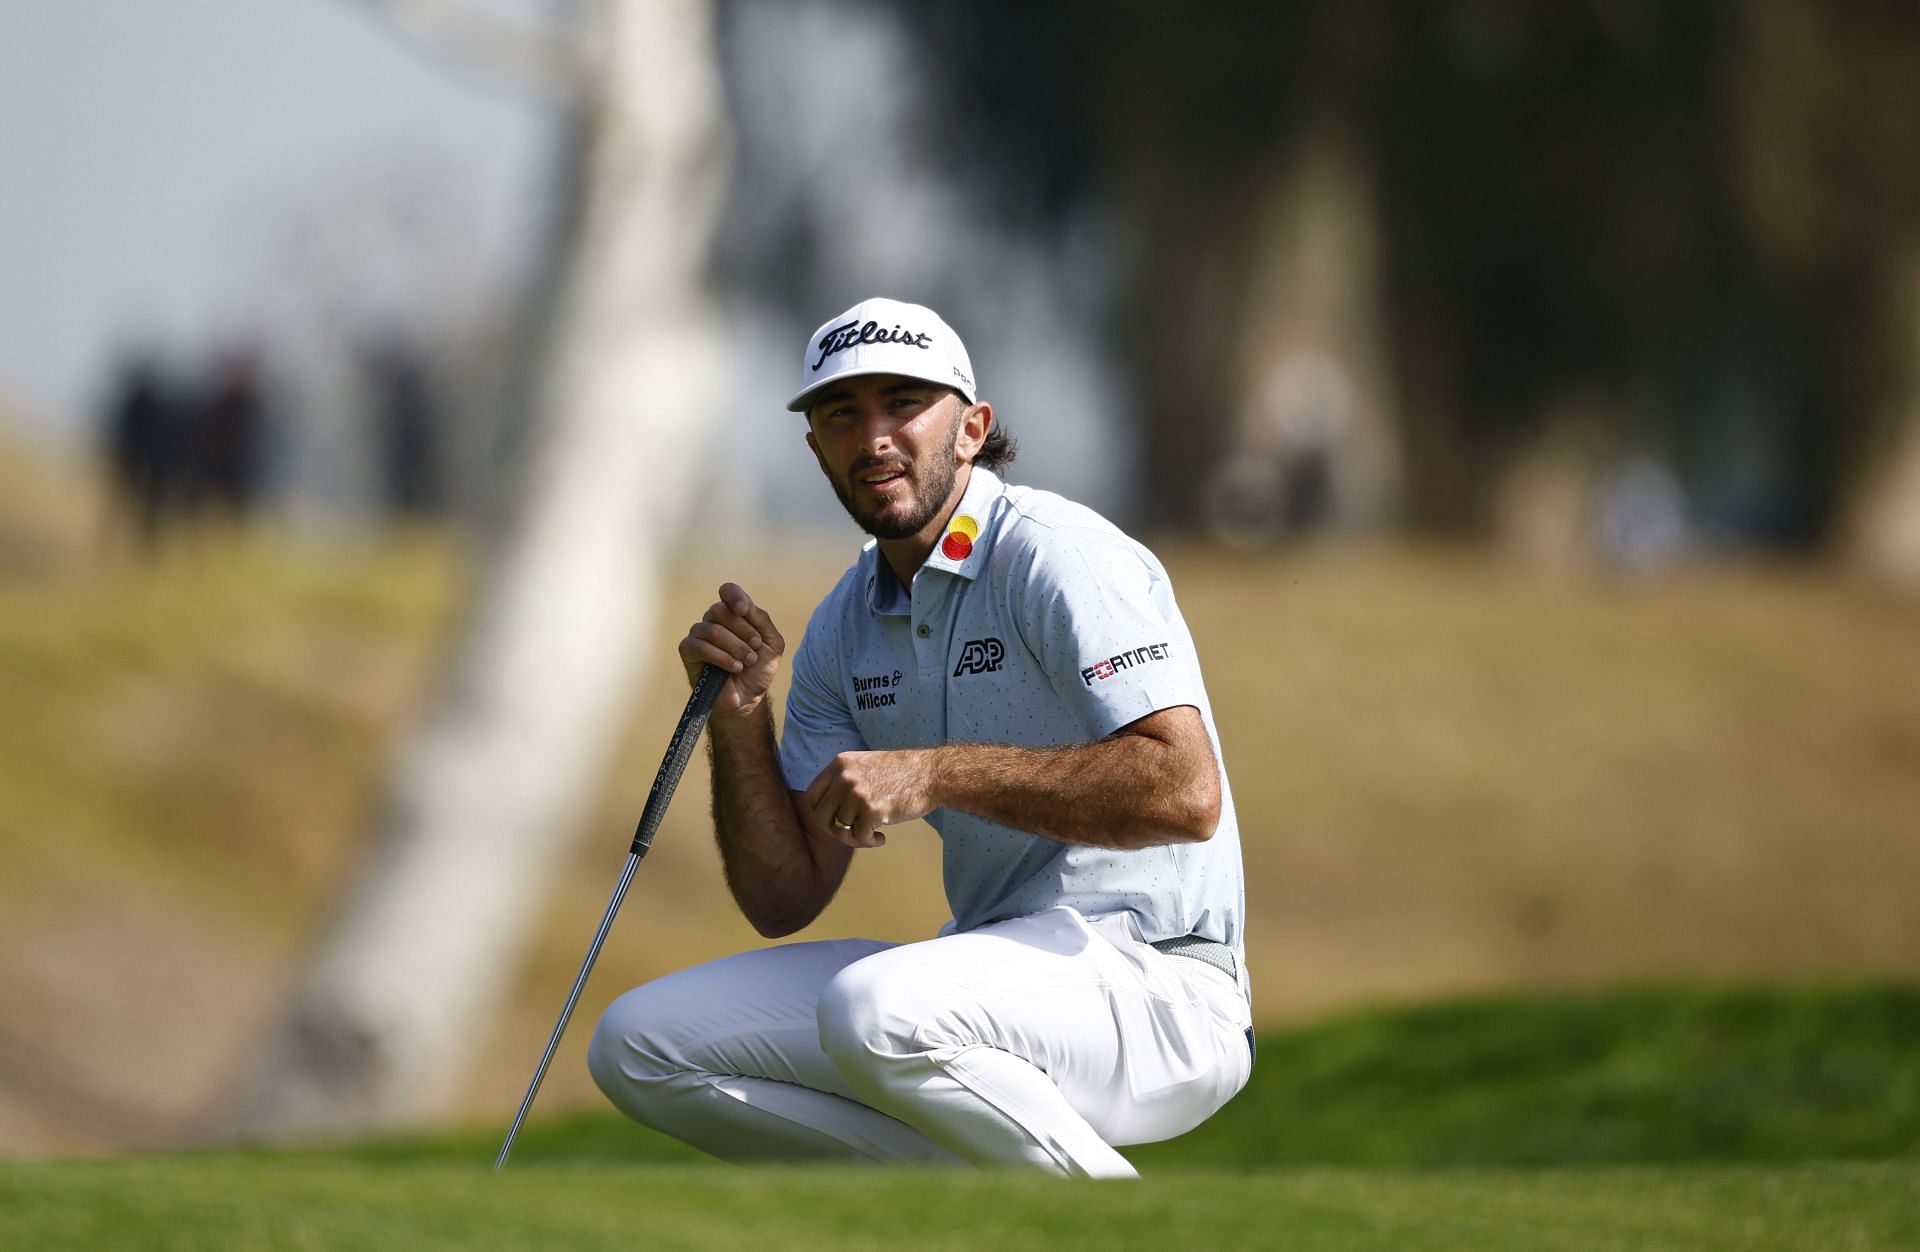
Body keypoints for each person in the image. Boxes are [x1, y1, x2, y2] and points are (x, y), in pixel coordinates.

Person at [588, 297, 1251, 1177]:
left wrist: (935, 774)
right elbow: (784, 896)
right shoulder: (843, 627)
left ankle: (1125, 1232)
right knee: (640, 1044)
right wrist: (742, 717)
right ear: (816, 446)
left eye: (904, 402)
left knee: (878, 1011)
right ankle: (981, 1202)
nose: (874, 438)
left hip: (1162, 984)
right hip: (990, 974)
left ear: (971, 428)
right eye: (841, 415)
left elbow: (1185, 794)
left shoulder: (1056, 555)